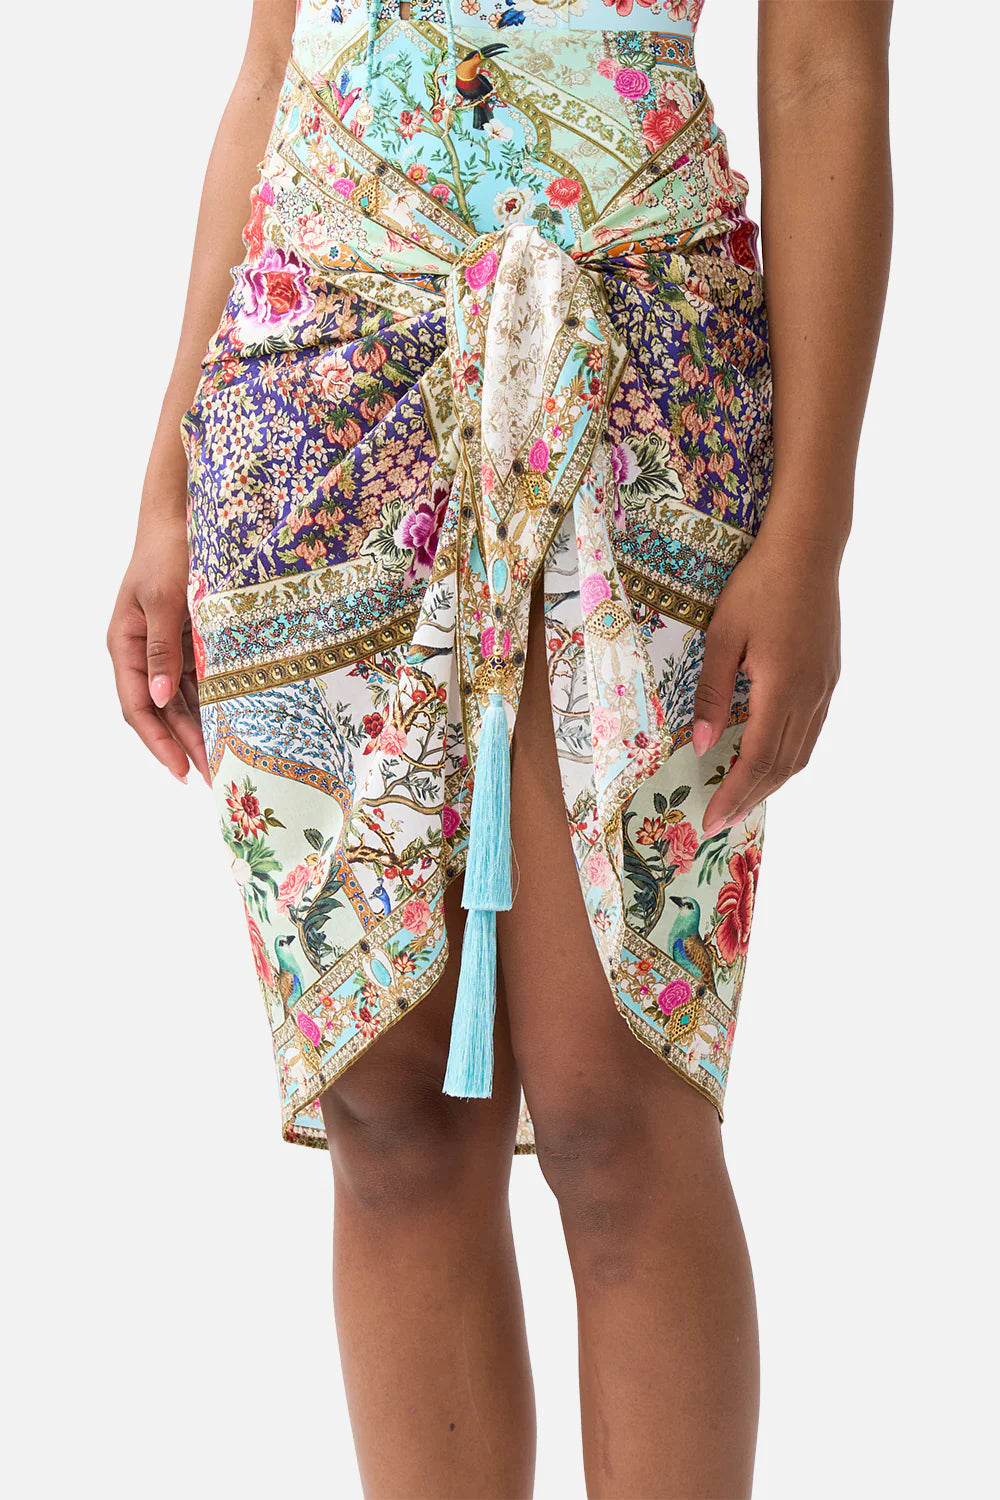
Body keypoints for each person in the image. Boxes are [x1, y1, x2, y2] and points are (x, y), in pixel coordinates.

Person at [108, 1, 892, 1493]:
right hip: (310, 385)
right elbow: (274, 62)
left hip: (635, 372)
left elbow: (823, 68)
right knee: (389, 1108)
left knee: (618, 1105)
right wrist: (165, 480)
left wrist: (813, 529)